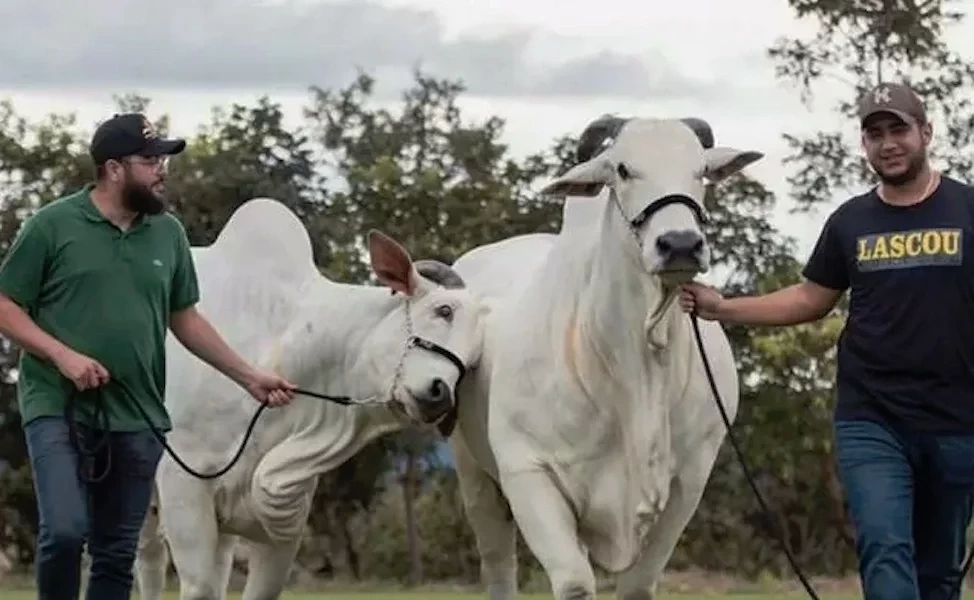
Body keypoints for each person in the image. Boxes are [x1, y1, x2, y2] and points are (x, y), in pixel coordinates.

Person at [680, 82, 974, 600]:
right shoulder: (850, 221)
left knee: (938, 573)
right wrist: (721, 308)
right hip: (872, 418)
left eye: (898, 129)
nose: (887, 143)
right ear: (864, 145)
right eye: (874, 133)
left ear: (925, 133)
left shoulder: (967, 209)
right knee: (884, 548)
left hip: (958, 420)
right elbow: (811, 298)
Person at [0, 112, 298, 600]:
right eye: (151, 160)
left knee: (116, 552)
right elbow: (5, 304)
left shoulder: (168, 235)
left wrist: (249, 377)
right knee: (67, 531)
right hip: (56, 403)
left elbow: (186, 319)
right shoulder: (52, 226)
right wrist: (63, 356)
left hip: (137, 413)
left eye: (164, 160)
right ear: (114, 169)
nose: (162, 170)